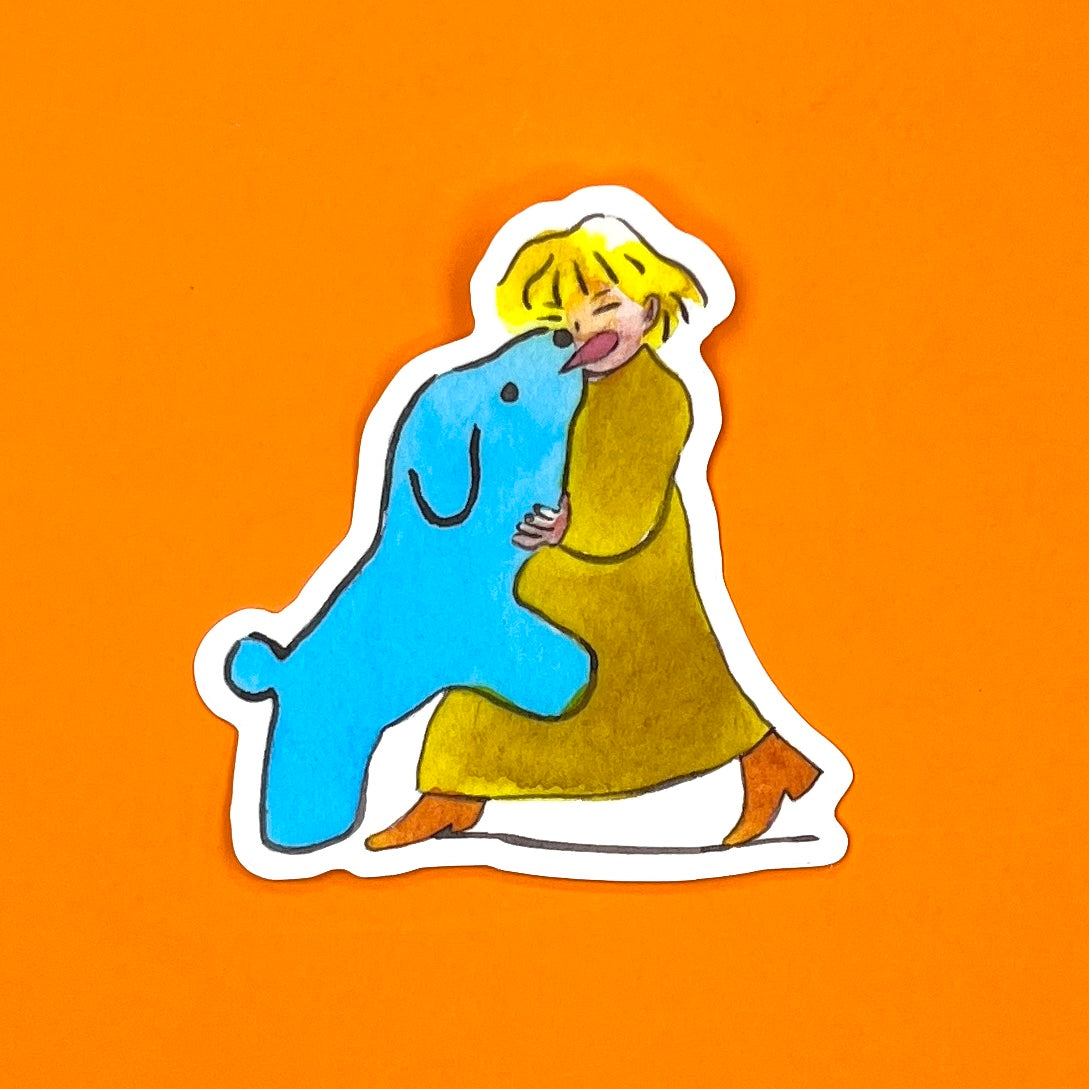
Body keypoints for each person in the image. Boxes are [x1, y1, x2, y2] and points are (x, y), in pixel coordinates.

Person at [366, 214, 820, 851]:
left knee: (672, 683)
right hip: (551, 563)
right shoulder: (558, 386)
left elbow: (629, 503)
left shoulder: (662, 396)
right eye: (566, 320)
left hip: (630, 576)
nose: (584, 330)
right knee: (495, 672)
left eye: (604, 308)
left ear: (651, 307)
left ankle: (768, 761)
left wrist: (570, 525)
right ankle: (451, 794)